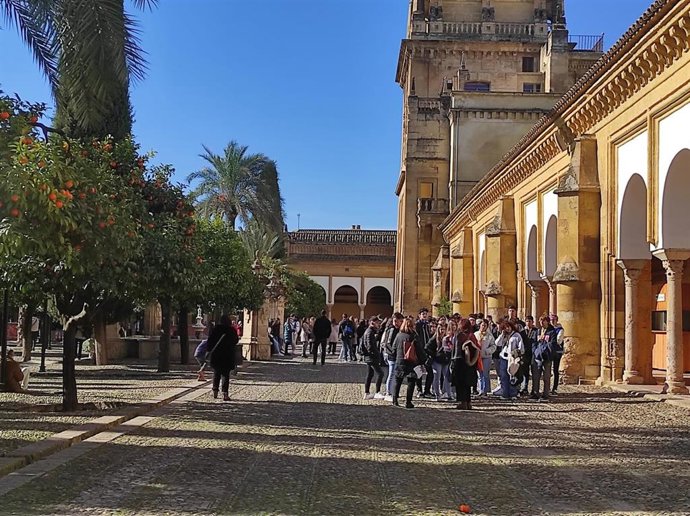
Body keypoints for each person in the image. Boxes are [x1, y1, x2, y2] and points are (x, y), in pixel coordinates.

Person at [391, 318, 425, 409]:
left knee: (398, 380)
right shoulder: (414, 336)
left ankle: (395, 400)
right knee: (411, 381)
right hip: (411, 361)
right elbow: (419, 350)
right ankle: (408, 402)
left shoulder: (399, 335)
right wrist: (423, 360)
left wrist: (396, 357)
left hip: (400, 360)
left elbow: (393, 348)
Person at [207, 314, 239, 401]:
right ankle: (225, 393)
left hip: (216, 355)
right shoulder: (231, 330)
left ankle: (215, 391)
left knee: (216, 373)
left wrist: (209, 350)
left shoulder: (216, 329)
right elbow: (236, 341)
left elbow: (210, 341)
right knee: (225, 374)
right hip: (227, 355)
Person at [451, 320, 480, 409]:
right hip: (470, 363)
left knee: (460, 384)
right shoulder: (472, 335)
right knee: (467, 384)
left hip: (460, 362)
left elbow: (456, 350)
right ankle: (468, 402)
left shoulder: (459, 335)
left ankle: (463, 402)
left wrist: (453, 362)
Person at [495, 319, 523, 400]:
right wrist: (502, 335)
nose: (507, 329)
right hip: (504, 357)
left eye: (508, 327)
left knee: (512, 376)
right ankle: (505, 393)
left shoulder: (517, 335)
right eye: (505, 327)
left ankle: (513, 393)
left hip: (512, 358)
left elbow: (521, 347)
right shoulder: (504, 335)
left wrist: (516, 354)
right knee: (504, 376)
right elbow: (497, 343)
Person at [531, 315, 557, 401]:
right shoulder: (538, 331)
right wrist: (535, 351)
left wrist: (545, 344)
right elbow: (534, 342)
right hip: (537, 356)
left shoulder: (552, 331)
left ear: (547, 322)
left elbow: (552, 344)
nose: (541, 322)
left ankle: (545, 394)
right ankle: (535, 393)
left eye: (543, 321)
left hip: (547, 357)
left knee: (546, 376)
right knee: (536, 375)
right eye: (540, 321)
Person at [361, 316, 385, 399]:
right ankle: (377, 392)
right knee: (380, 373)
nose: (379, 324)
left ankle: (366, 393)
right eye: (377, 322)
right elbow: (369, 346)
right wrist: (376, 353)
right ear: (372, 322)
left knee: (370, 374)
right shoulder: (370, 332)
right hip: (371, 357)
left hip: (369, 357)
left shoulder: (370, 331)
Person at [381, 312, 403, 401]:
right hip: (392, 356)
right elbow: (388, 343)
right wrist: (393, 352)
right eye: (395, 321)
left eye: (399, 321)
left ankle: (393, 391)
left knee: (394, 374)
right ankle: (388, 392)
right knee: (391, 374)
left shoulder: (398, 330)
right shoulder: (392, 330)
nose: (397, 323)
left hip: (396, 355)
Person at [430, 320, 453, 401]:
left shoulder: (447, 339)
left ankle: (448, 394)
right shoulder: (434, 338)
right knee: (437, 377)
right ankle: (437, 395)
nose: (442, 331)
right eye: (441, 329)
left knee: (447, 377)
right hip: (437, 361)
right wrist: (435, 354)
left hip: (445, 360)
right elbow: (427, 348)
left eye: (444, 329)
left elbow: (451, 348)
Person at [414, 308, 434, 398]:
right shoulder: (417, 325)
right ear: (419, 315)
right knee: (419, 372)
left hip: (427, 352)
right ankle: (419, 390)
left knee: (430, 372)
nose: (424, 315)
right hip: (419, 352)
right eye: (423, 314)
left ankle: (427, 390)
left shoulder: (427, 325)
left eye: (426, 313)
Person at [475, 319, 496, 396]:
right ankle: (480, 389)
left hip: (486, 357)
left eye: (485, 326)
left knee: (485, 373)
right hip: (478, 357)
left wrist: (488, 351)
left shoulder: (489, 336)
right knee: (479, 374)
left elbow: (493, 345)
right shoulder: (476, 334)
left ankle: (485, 390)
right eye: (482, 325)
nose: (483, 327)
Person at [521, 315, 538, 395]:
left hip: (533, 354)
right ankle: (525, 387)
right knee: (525, 372)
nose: (528, 323)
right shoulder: (522, 332)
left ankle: (534, 389)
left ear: (532, 322)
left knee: (534, 371)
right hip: (525, 354)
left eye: (529, 321)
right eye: (527, 321)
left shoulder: (536, 331)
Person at [550, 314, 565, 395]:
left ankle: (554, 387)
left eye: (553, 320)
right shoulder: (550, 329)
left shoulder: (560, 329)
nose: (552, 322)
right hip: (549, 351)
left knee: (555, 369)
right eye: (551, 320)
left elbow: (558, 340)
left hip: (557, 351)